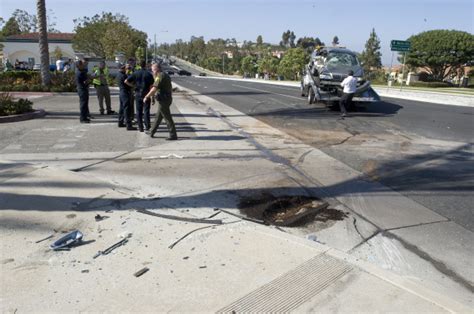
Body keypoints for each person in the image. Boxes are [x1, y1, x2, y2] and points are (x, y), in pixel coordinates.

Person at [144, 62, 177, 140]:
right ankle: (152, 131)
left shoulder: (160, 76)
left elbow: (154, 89)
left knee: (167, 117)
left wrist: (147, 96)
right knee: (158, 116)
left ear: (156, 69)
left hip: (164, 100)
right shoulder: (165, 75)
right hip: (166, 98)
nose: (152, 72)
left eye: (153, 70)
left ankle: (173, 135)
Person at [125, 60, 154, 132]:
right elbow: (151, 86)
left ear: (139, 65)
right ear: (145, 65)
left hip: (138, 93)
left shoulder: (135, 73)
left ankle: (140, 127)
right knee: (146, 111)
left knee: (138, 111)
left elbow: (126, 81)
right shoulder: (149, 74)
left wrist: (133, 86)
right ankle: (147, 126)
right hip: (146, 94)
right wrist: (152, 96)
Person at [117, 64, 135, 130]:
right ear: (123, 69)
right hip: (125, 93)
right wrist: (133, 86)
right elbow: (128, 82)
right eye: (127, 68)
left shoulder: (119, 74)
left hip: (121, 93)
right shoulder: (123, 75)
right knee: (127, 109)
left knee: (122, 108)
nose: (128, 69)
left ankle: (120, 122)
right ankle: (129, 125)